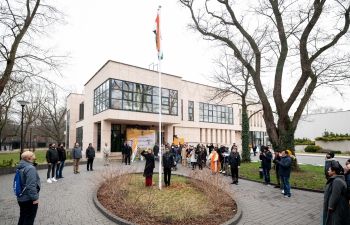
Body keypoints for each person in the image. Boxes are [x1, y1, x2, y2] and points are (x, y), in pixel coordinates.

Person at [16, 151, 41, 225]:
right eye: (33, 154)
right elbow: (31, 185)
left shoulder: (20, 167)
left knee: (23, 217)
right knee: (29, 219)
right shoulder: (30, 168)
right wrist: (35, 198)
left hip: (21, 197)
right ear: (30, 158)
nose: (34, 155)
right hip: (29, 198)